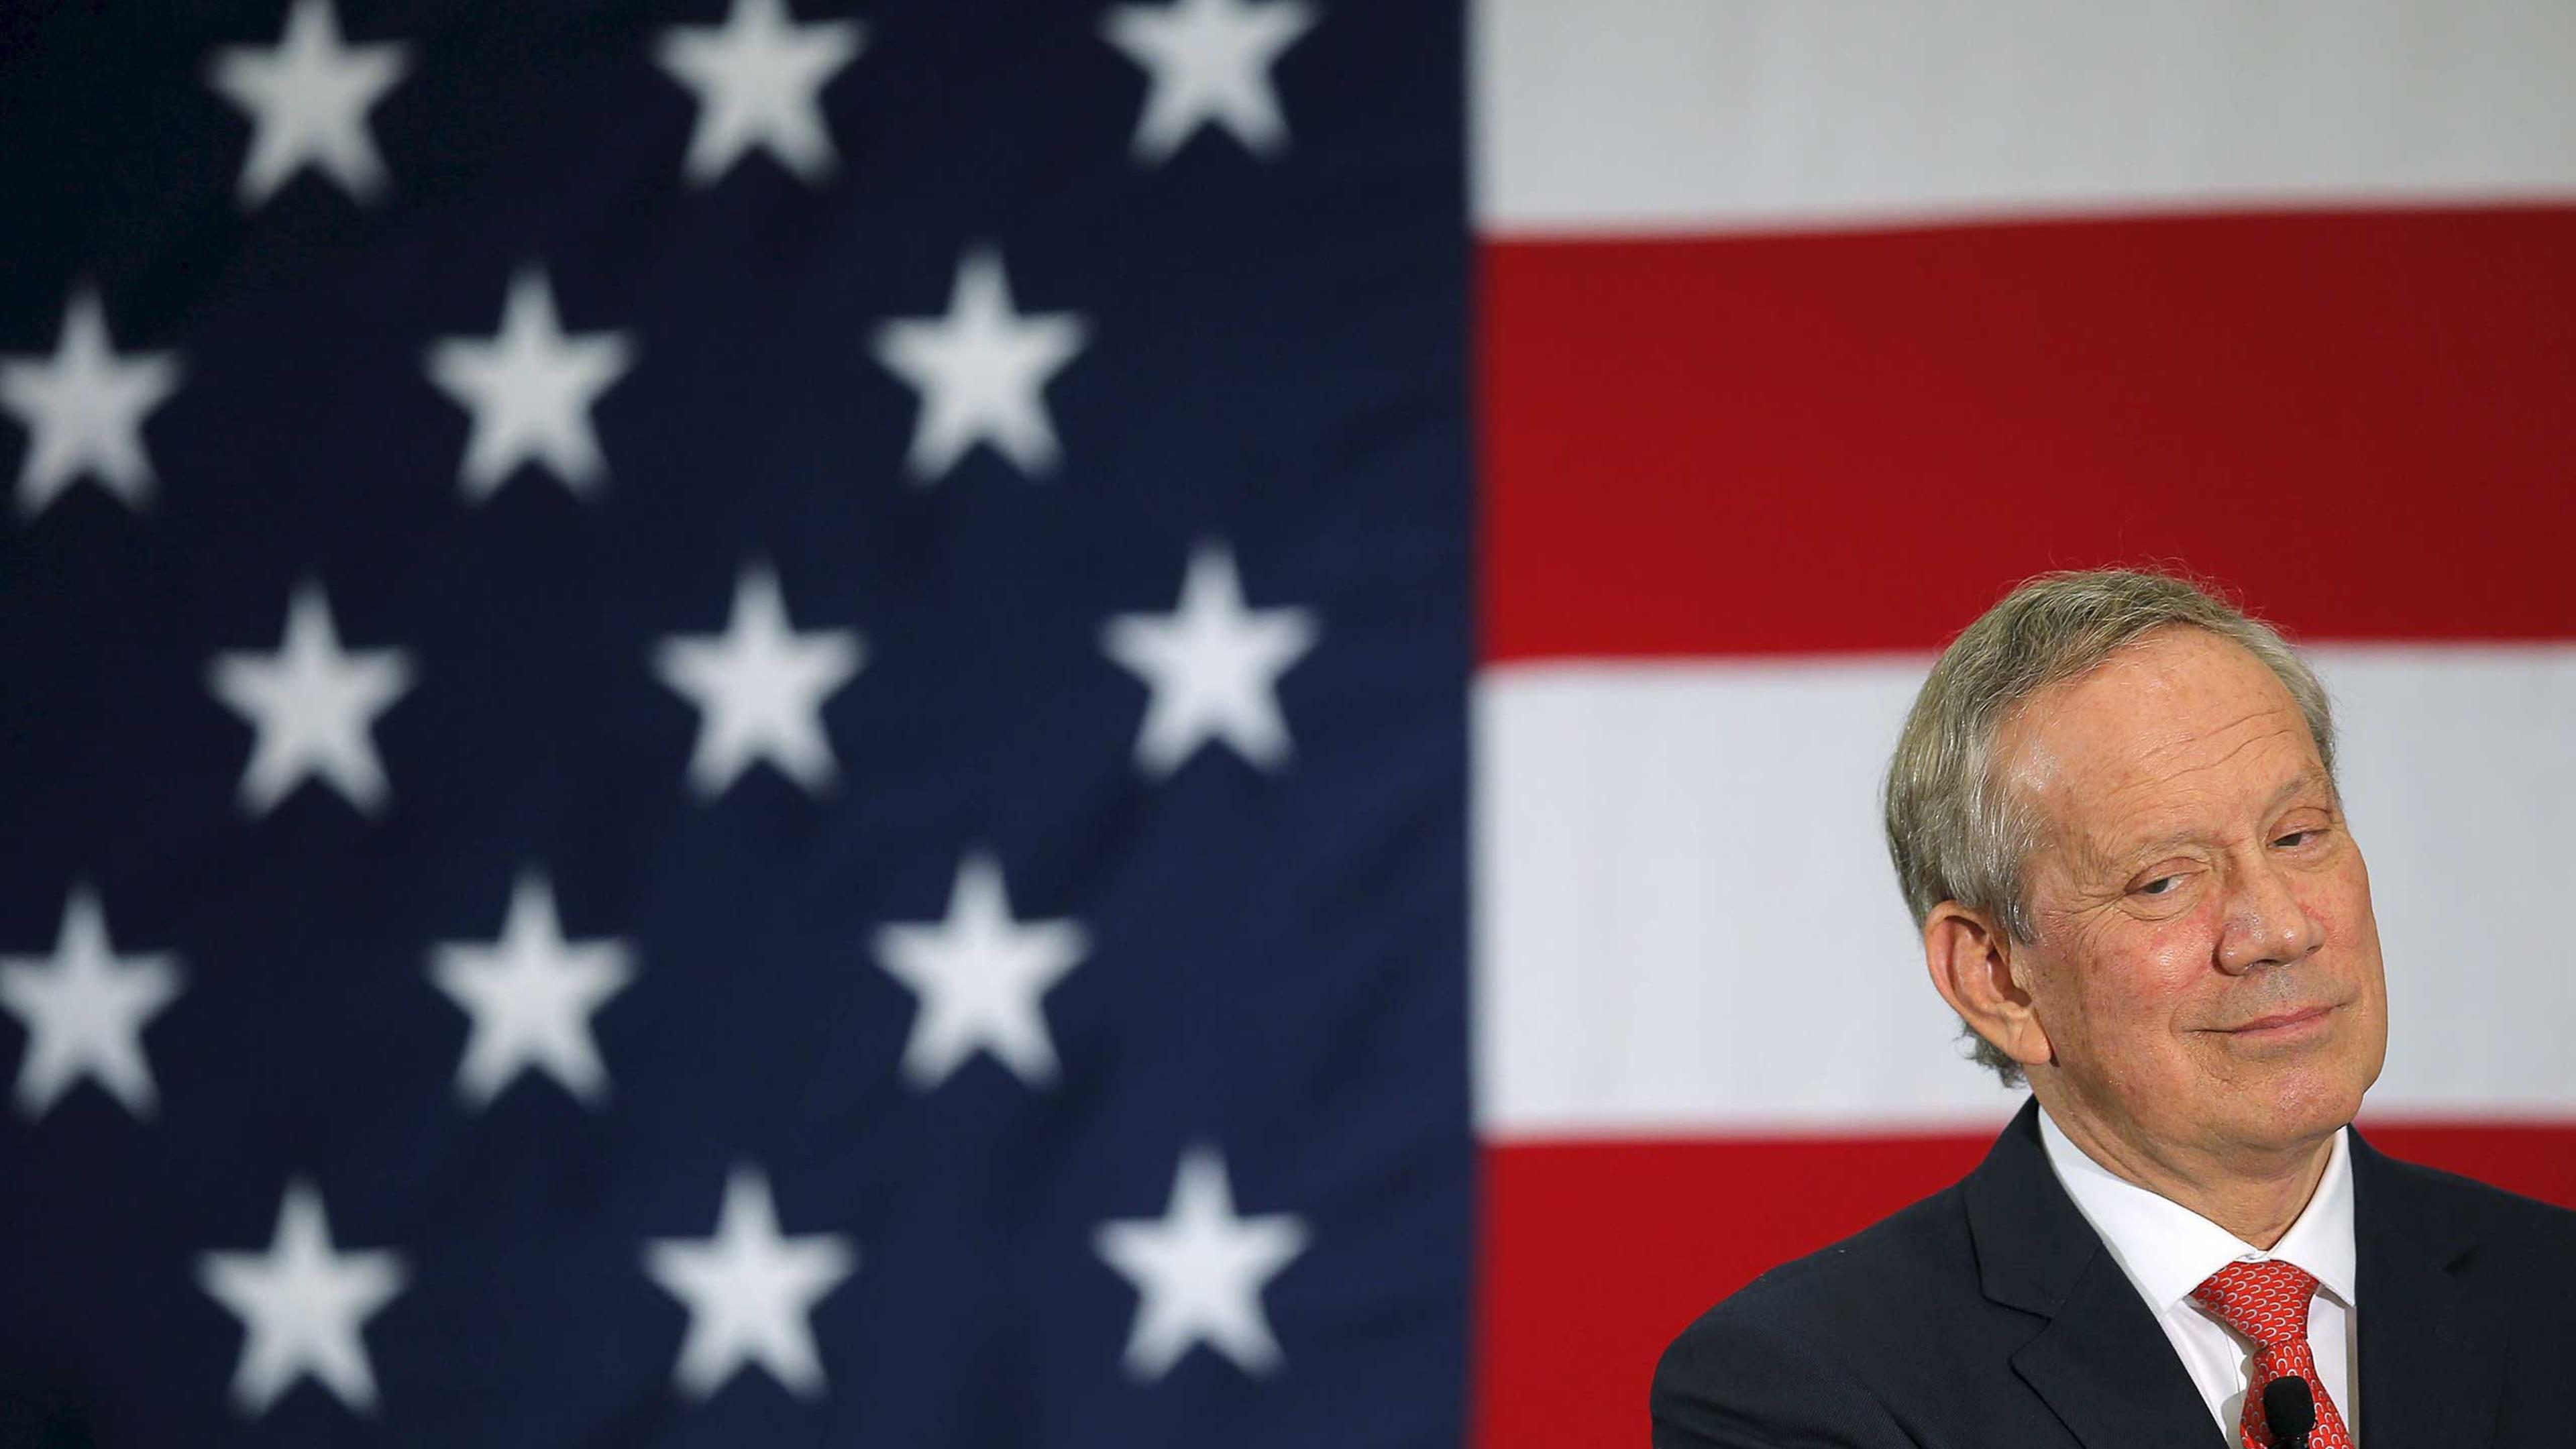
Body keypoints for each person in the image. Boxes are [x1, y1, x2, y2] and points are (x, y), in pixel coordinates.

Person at [1650, 570, 2576, 1448]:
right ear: (1995, 977)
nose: (2281, 929)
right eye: (2165, 880)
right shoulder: (1805, 1387)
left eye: (2298, 837)